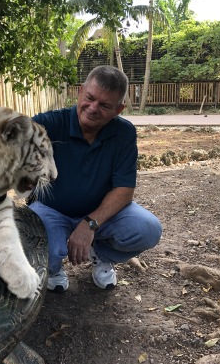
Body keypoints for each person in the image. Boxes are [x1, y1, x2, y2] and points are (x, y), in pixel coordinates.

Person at [29, 65, 162, 292]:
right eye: (89, 98)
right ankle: (52, 269)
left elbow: (124, 190)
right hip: (51, 209)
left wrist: (89, 224)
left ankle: (99, 254)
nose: (92, 108)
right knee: (40, 246)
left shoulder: (124, 133)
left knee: (148, 229)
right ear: (80, 91)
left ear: (118, 110)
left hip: (100, 214)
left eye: (104, 105)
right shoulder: (48, 124)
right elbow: (6, 140)